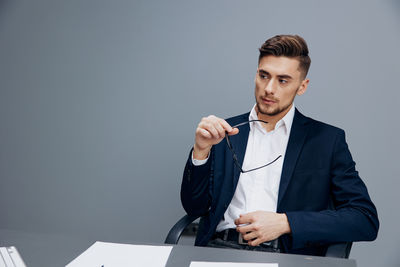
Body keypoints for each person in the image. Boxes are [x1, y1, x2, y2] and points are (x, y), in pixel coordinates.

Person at [180, 34, 379, 256]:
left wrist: (286, 223)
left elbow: (364, 219)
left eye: (283, 80)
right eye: (264, 76)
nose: (269, 89)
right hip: (218, 251)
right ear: (256, 74)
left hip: (285, 256)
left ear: (302, 86)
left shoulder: (326, 140)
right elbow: (194, 208)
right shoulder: (224, 131)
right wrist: (201, 151)